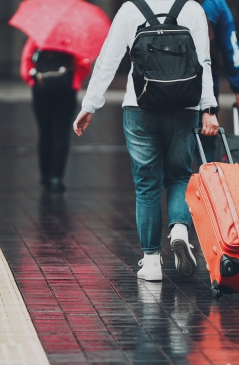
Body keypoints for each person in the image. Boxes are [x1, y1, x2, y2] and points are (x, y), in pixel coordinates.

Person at [73, 0, 219, 281]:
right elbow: (204, 62)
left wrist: (90, 105)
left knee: (147, 184)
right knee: (178, 177)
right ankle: (179, 230)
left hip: (139, 108)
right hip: (184, 108)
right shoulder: (192, 9)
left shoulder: (130, 10)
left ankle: (151, 261)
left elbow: (108, 60)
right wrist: (208, 110)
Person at [20, 39, 91, 193]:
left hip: (41, 90)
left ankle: (45, 176)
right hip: (66, 91)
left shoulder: (38, 36)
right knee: (61, 133)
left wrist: (33, 81)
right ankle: (56, 178)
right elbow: (84, 64)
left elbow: (26, 61)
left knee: (45, 133)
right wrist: (75, 81)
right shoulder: (72, 38)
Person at [196, 0, 239, 163]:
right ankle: (207, 187)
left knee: (170, 148)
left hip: (164, 88)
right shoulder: (215, 4)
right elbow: (231, 46)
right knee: (207, 143)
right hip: (206, 87)